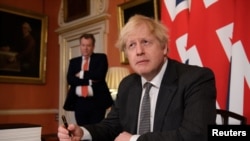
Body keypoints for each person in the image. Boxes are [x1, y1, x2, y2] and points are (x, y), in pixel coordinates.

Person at [58, 15, 217, 141]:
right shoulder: (127, 84)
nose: (139, 51)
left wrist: (135, 140)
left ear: (164, 47)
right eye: (131, 45)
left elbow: (197, 135)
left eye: (146, 42)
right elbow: (111, 126)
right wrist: (83, 132)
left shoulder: (196, 79)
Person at [63, 33, 113, 126]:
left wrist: (81, 74)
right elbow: (70, 80)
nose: (85, 48)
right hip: (79, 103)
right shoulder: (74, 62)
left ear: (93, 46)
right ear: (80, 46)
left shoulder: (101, 58)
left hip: (96, 103)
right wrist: (89, 81)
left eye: (88, 45)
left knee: (96, 133)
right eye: (83, 45)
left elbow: (99, 76)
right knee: (82, 132)